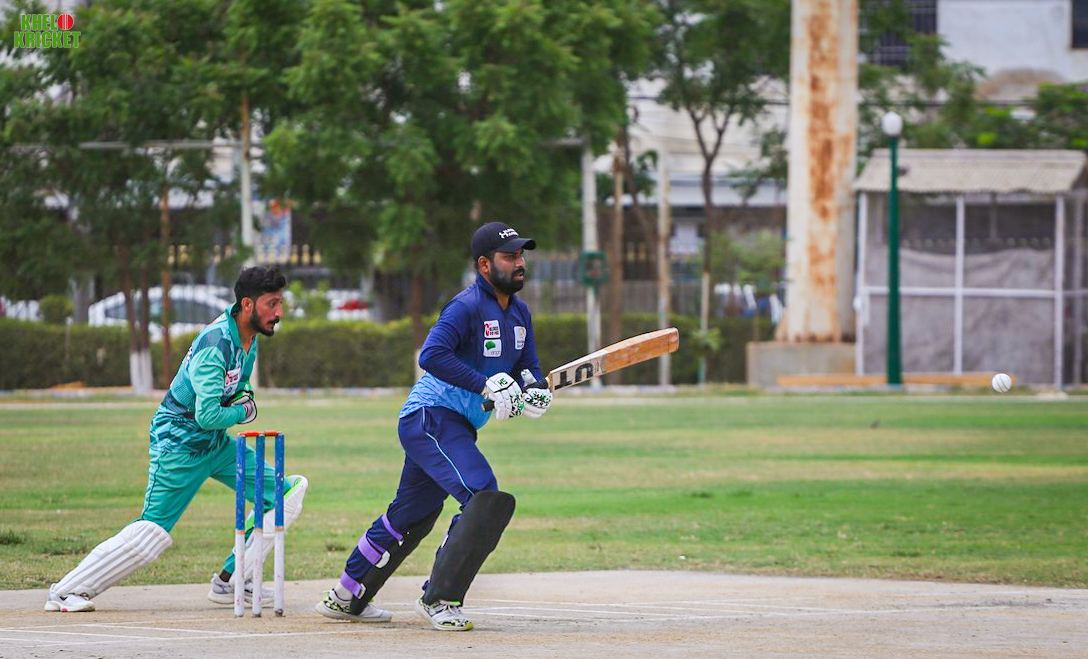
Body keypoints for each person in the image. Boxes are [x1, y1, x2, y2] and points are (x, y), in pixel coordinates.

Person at [316, 222, 553, 631]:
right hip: (430, 416)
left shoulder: (520, 313)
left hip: (454, 424)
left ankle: (346, 595)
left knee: (413, 514)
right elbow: (431, 355)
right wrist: (485, 385)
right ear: (484, 265)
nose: (519, 263)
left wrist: (535, 390)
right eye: (509, 256)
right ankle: (439, 597)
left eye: (521, 255)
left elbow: (527, 367)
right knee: (483, 496)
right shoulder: (466, 306)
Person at [44, 266, 309, 612]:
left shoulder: (250, 338)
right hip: (179, 447)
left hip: (215, 445)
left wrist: (242, 399)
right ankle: (66, 591)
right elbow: (207, 414)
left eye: (280, 303)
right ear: (247, 304)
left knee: (287, 492)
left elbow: (238, 388)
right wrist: (244, 411)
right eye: (272, 303)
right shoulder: (215, 344)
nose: (279, 312)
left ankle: (231, 581)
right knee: (152, 532)